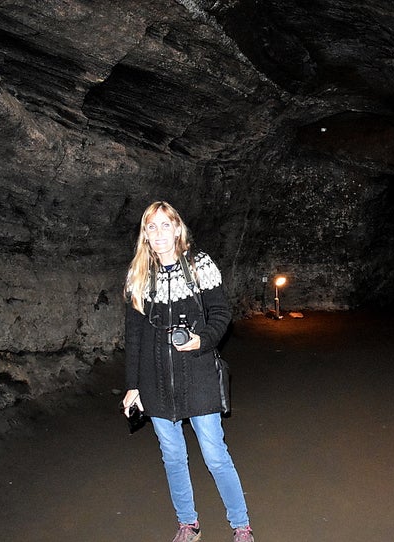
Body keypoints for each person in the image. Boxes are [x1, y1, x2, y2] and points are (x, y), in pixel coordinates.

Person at [122, 201, 254, 542]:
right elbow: (134, 336)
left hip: (198, 376)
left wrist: (201, 341)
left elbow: (221, 314)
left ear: (178, 228)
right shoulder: (139, 274)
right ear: (145, 235)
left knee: (214, 454)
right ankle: (188, 523)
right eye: (152, 227)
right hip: (155, 382)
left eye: (165, 225)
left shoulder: (199, 266)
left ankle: (241, 525)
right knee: (173, 456)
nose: (159, 233)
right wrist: (132, 386)